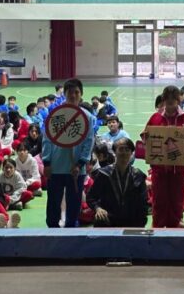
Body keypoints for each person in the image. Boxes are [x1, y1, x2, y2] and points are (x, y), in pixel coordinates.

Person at [42, 78, 96, 228]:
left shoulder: (87, 117)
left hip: (76, 169)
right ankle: (52, 231)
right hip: (56, 167)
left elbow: (89, 142)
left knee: (74, 205)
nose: (73, 95)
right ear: (64, 94)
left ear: (81, 94)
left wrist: (80, 163)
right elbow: (47, 139)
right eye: (70, 92)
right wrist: (46, 163)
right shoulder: (56, 114)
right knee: (53, 204)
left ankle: (71, 232)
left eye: (76, 92)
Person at [144, 85, 184, 228]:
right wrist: (148, 137)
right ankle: (157, 228)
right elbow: (145, 136)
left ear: (178, 100)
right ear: (163, 100)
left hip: (179, 169)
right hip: (159, 169)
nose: (170, 104)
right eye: (167, 101)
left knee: (177, 201)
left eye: (173, 101)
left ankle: (175, 228)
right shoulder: (155, 117)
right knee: (159, 201)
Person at [87, 137, 148, 227]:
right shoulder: (104, 174)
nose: (124, 153)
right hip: (109, 218)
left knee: (141, 217)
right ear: (115, 152)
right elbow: (91, 197)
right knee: (100, 219)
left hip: (131, 219)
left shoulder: (138, 175)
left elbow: (143, 202)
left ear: (132, 153)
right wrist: (98, 208)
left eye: (127, 150)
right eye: (121, 149)